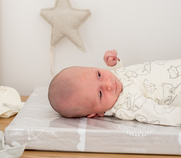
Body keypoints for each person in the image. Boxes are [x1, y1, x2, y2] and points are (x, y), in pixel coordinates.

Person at [48, 50, 181, 126]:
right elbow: (161, 114)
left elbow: (125, 76)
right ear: (95, 114)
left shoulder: (114, 81)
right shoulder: (129, 105)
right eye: (100, 94)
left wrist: (114, 66)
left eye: (99, 75)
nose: (108, 84)